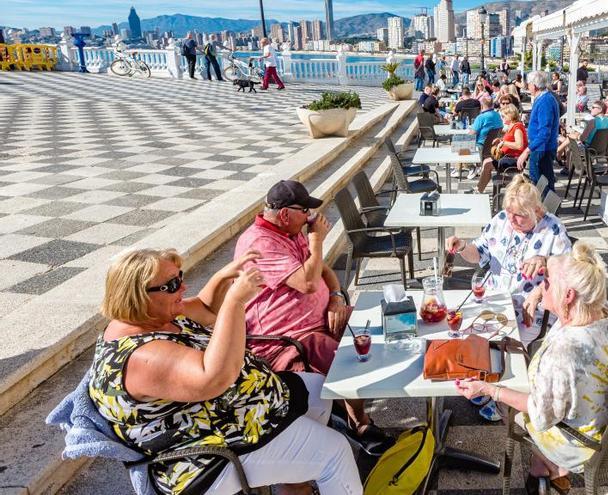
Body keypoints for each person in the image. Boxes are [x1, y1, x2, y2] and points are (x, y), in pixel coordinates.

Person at [89, 248, 362, 495]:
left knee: (320, 389)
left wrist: (224, 276)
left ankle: (292, 483)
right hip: (204, 453)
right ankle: (309, 468)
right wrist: (235, 302)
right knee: (334, 452)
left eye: (180, 277)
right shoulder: (141, 357)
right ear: (137, 296)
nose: (182, 287)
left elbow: (207, 308)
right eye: (172, 284)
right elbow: (215, 378)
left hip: (232, 413)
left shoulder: (156, 315)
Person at [454, 240, 608, 495]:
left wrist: (489, 389)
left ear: (568, 295)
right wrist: (540, 292)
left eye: (546, 281)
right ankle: (542, 468)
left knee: (506, 404)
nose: (541, 284)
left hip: (584, 444)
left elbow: (539, 414)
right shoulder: (602, 311)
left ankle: (551, 465)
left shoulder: (565, 353)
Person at [234, 180, 394, 455]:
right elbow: (307, 282)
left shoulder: (290, 230)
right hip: (286, 338)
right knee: (351, 360)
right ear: (284, 214)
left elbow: (322, 270)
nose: (311, 217)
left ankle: (349, 406)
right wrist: (317, 238)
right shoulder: (261, 242)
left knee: (376, 328)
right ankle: (359, 422)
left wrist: (336, 296)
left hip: (320, 319)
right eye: (305, 211)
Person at [446, 176, 572, 421]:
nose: (512, 220)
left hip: (528, 308)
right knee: (463, 326)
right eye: (509, 212)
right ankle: (485, 381)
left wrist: (543, 272)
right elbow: (478, 253)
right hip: (493, 295)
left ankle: (504, 396)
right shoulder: (502, 220)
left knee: (502, 339)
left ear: (537, 210)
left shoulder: (552, 229)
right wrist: (462, 247)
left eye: (520, 216)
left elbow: (569, 272)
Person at [517, 71, 560, 194]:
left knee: (541, 184)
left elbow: (544, 133)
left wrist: (526, 151)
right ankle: (547, 209)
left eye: (529, 84)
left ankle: (546, 210)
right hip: (541, 147)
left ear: (534, 86)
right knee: (544, 182)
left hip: (542, 149)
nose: (527, 87)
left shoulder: (545, 101)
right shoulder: (544, 98)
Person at [472, 104, 528, 193]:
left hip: (515, 159)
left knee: (487, 164)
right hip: (508, 157)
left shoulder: (517, 127)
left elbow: (519, 145)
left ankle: (479, 190)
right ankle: (479, 188)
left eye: (503, 116)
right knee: (486, 162)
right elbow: (510, 140)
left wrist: (504, 142)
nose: (502, 118)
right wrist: (500, 140)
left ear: (510, 115)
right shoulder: (512, 126)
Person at [456, 96, 503, 179]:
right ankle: (472, 167)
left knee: (459, 144)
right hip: (493, 145)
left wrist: (461, 138)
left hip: (481, 145)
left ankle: (468, 167)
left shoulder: (481, 117)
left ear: (481, 105)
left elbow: (472, 134)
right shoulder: (497, 115)